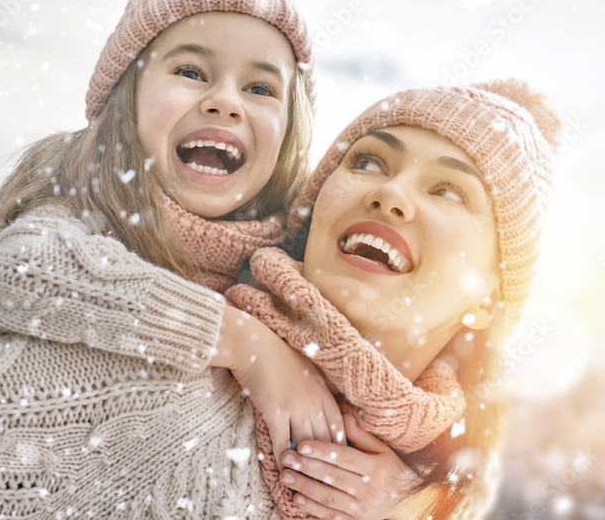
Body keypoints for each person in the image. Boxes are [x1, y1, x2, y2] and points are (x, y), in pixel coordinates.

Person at [0, 0, 345, 518]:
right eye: (192, 72)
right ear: (128, 95)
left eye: (259, 87)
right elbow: (29, 271)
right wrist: (247, 346)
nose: (227, 102)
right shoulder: (84, 201)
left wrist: (404, 493)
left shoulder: (288, 265)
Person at [224, 79, 561, 519]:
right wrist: (236, 339)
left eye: (448, 191)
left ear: (487, 301)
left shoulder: (448, 491)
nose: (391, 194)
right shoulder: (182, 357)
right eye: (368, 162)